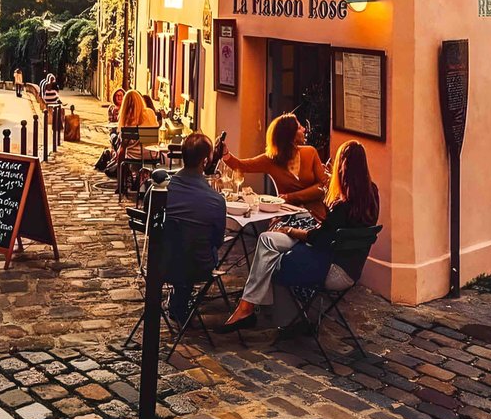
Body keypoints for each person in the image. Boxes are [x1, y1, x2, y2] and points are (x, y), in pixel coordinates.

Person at [216, 140, 380, 332]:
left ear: (341, 168)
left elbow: (318, 238)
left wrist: (291, 231)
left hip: (332, 267)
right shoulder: (371, 194)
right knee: (267, 240)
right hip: (346, 263)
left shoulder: (343, 206)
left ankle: (269, 314)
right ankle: (253, 307)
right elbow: (331, 229)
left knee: (275, 261)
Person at [161, 132, 227, 324]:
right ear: (205, 161)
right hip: (197, 266)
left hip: (161, 263)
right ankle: (181, 296)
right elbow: (217, 241)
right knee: (197, 247)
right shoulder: (215, 200)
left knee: (181, 243)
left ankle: (179, 295)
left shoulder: (160, 189)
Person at [223, 113, 329, 221]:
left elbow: (323, 186)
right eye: (299, 128)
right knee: (269, 236)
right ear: (290, 135)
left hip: (315, 217)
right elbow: (240, 166)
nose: (304, 129)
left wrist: (289, 197)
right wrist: (224, 153)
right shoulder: (270, 159)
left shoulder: (310, 152)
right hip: (286, 217)